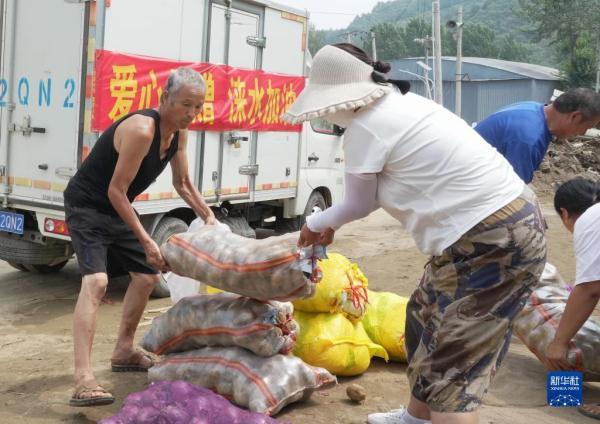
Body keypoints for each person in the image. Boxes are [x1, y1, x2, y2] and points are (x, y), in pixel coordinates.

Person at [282, 43, 547, 424]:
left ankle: (437, 415)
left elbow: (358, 203)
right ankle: (416, 418)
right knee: (423, 316)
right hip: (483, 233)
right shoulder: (401, 104)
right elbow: (376, 194)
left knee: (452, 364)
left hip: (493, 239)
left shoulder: (367, 126)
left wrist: (316, 223)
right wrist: (330, 222)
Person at [64, 67, 216, 406]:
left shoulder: (179, 133)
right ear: (165, 98)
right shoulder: (142, 129)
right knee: (97, 282)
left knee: (147, 277)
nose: (191, 113)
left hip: (116, 207)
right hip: (88, 205)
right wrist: (147, 241)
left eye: (198, 106)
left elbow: (183, 183)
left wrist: (209, 217)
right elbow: (116, 190)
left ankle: (123, 351)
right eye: (185, 105)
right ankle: (83, 379)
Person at [545, 177, 600, 420]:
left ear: (564, 213)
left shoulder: (589, 221)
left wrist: (559, 342)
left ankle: (565, 396)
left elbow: (589, 289)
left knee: (566, 351)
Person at [474, 88, 600, 184]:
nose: (583, 133)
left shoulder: (533, 108)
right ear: (575, 117)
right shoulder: (528, 138)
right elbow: (514, 191)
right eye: (588, 127)